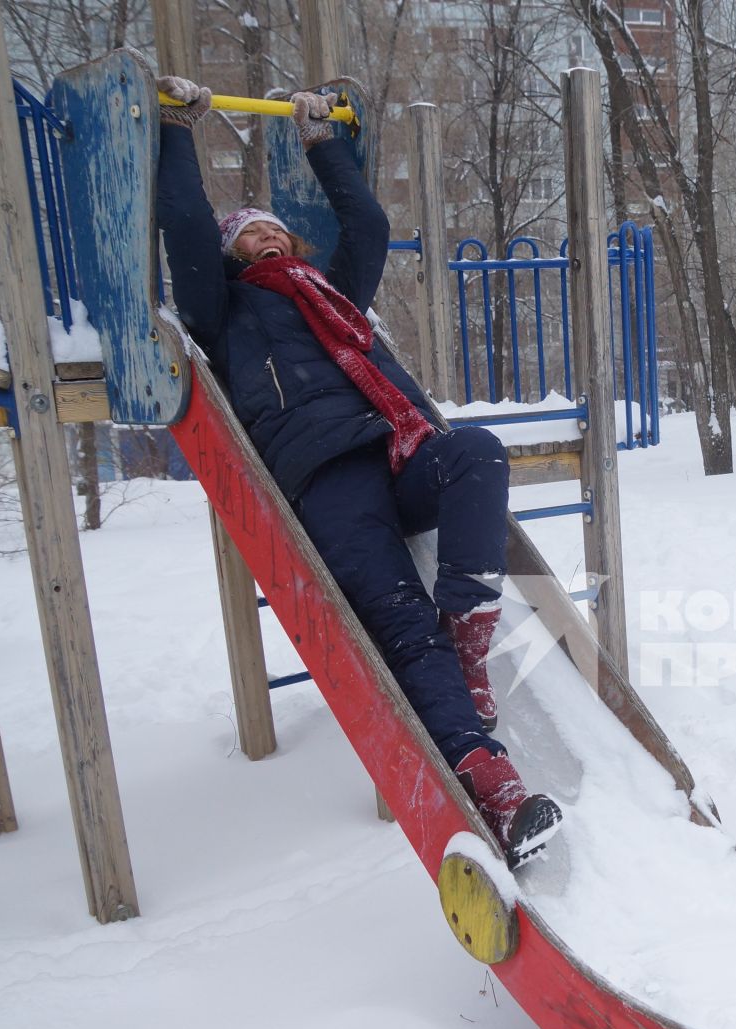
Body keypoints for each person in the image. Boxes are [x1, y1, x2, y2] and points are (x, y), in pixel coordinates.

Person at [153, 76, 561, 868]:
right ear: (230, 256)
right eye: (248, 235)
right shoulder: (224, 313)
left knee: (476, 450)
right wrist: (176, 127)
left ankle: (469, 636)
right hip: (323, 480)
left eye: (274, 231)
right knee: (402, 632)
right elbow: (183, 226)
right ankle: (495, 790)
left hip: (391, 451)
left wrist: (321, 141)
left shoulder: (330, 296)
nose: (265, 238)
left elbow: (367, 222)